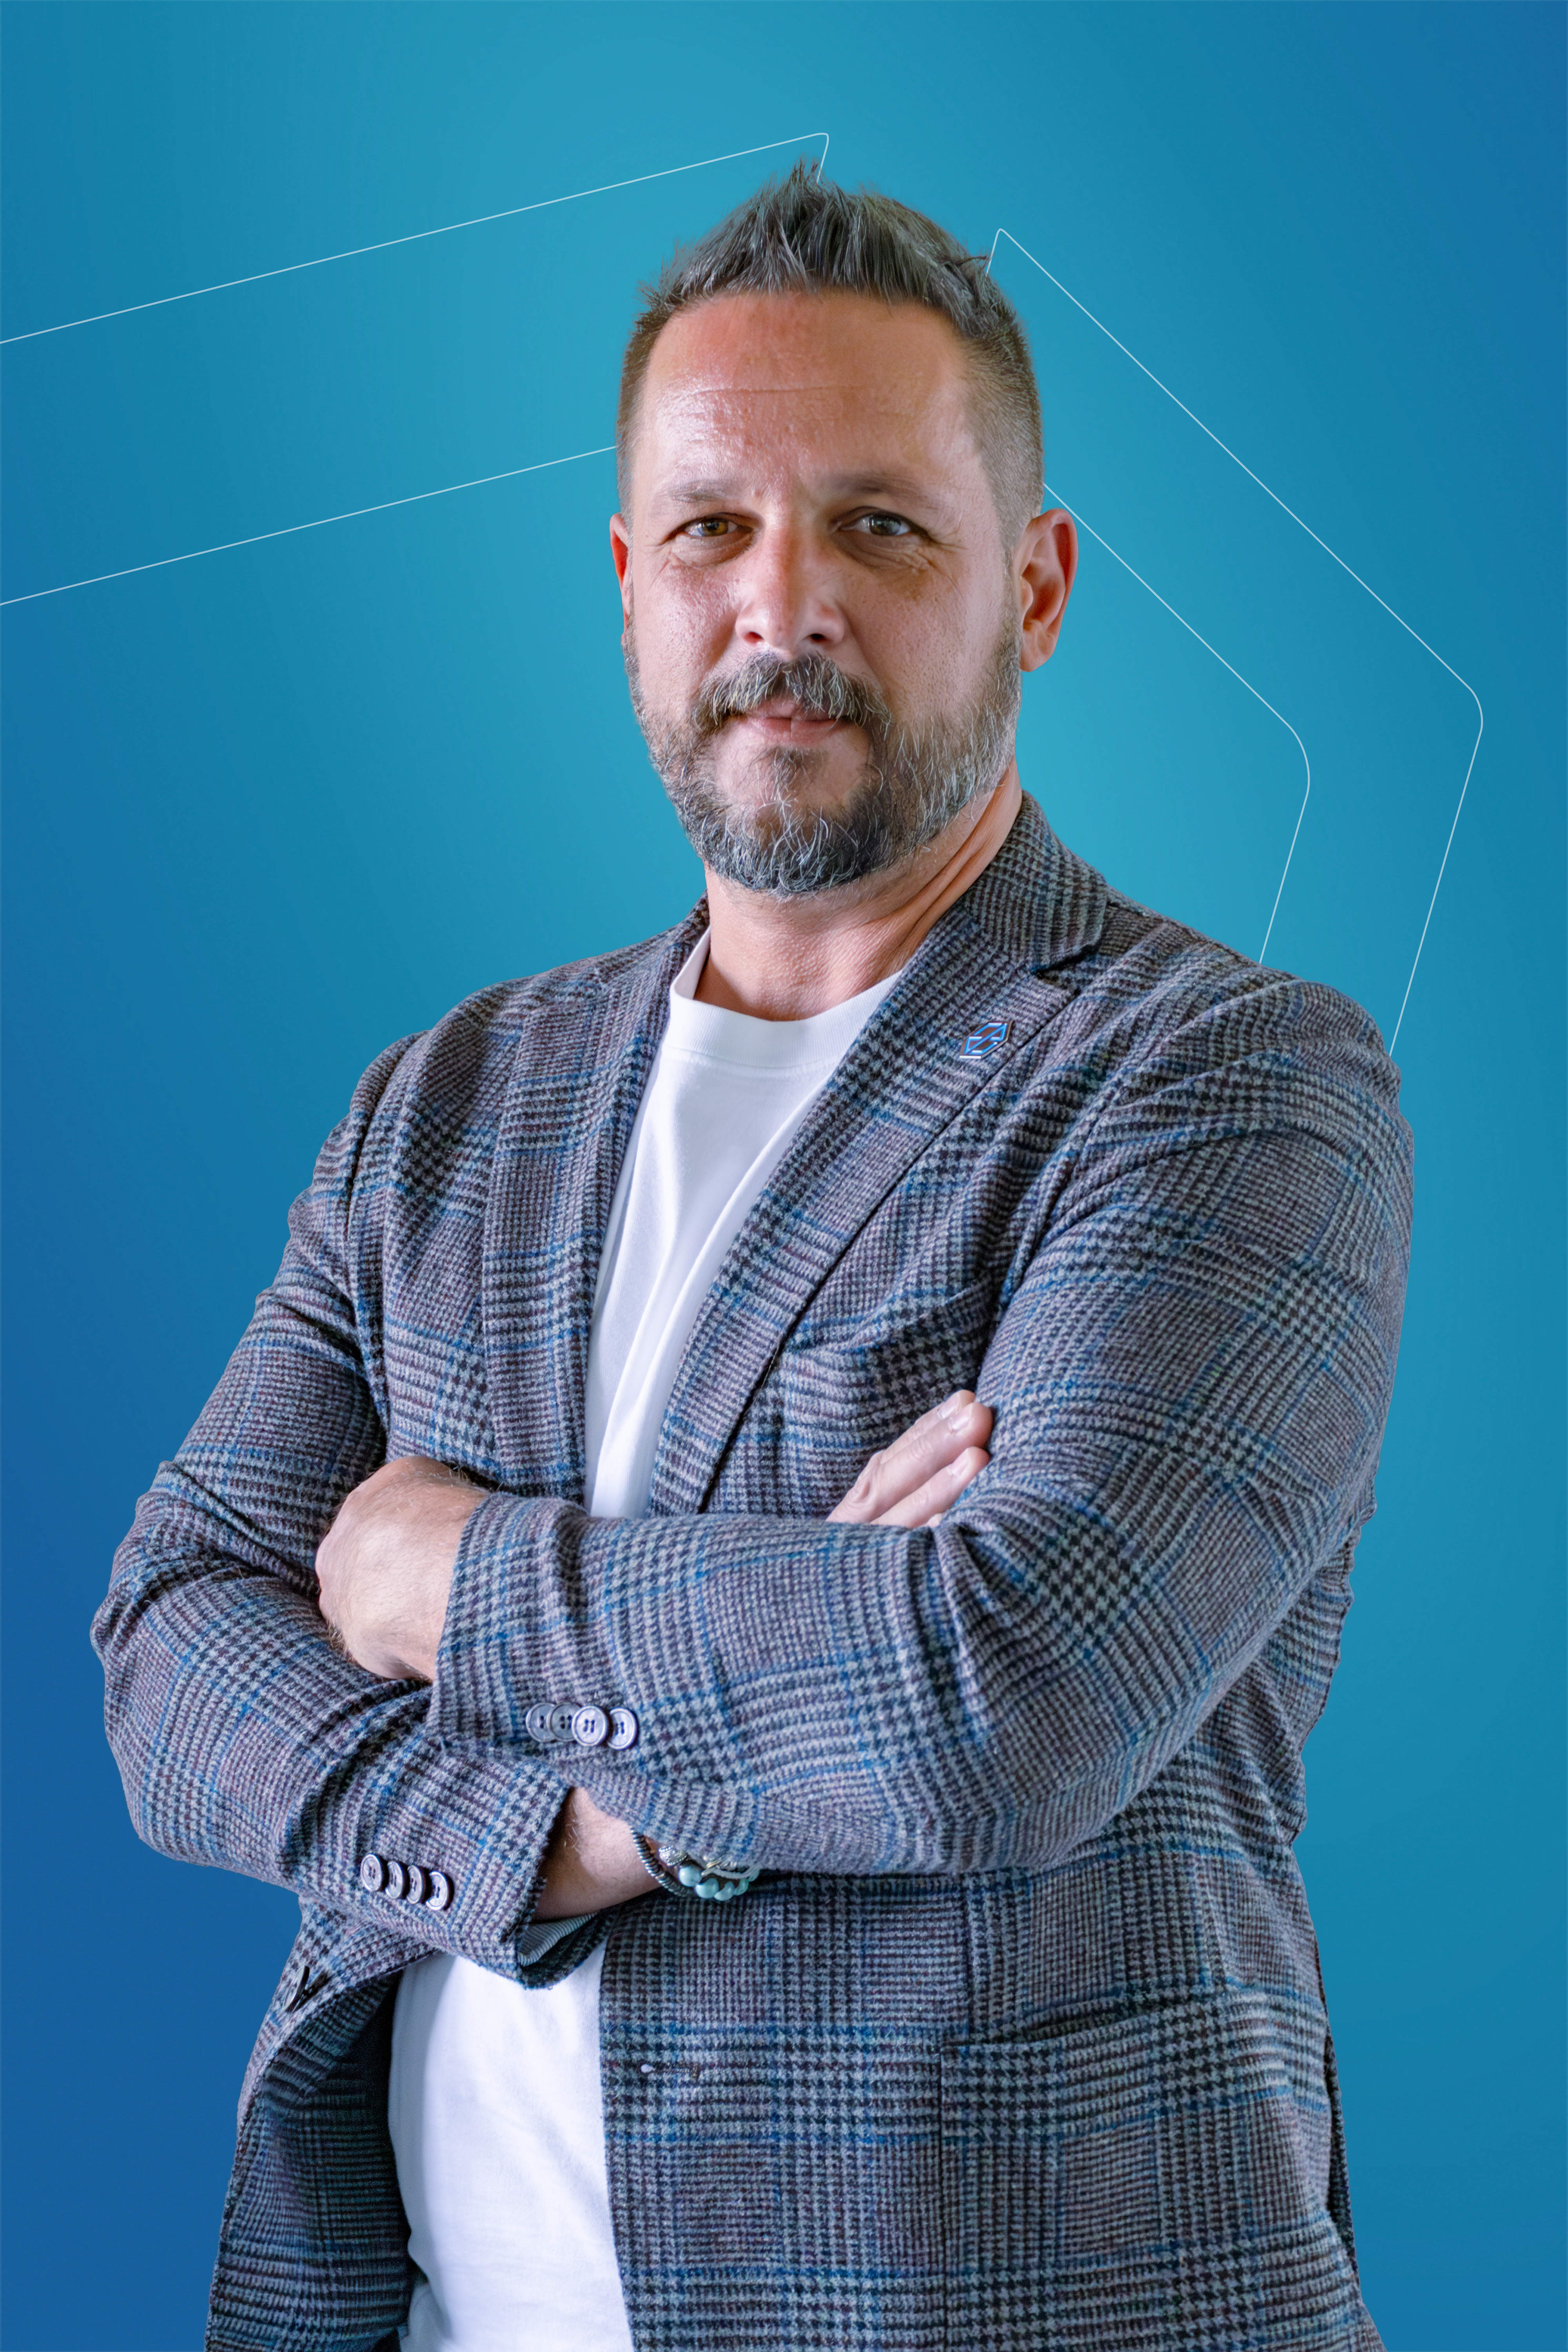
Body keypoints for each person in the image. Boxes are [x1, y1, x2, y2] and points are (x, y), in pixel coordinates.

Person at [94, 165, 1410, 2352]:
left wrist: (452, 1583)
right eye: (710, 528)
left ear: (1038, 585)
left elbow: (999, 1694)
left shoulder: (1229, 1087)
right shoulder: (451, 1102)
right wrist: (586, 1835)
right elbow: (175, 1648)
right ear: (628, 585)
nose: (780, 601)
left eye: (882, 526)